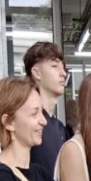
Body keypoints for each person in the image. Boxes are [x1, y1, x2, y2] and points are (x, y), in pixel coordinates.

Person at [24, 41, 71, 172]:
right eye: (55, 66)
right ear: (37, 73)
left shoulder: (61, 129)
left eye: (63, 67)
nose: (63, 73)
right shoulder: (27, 123)